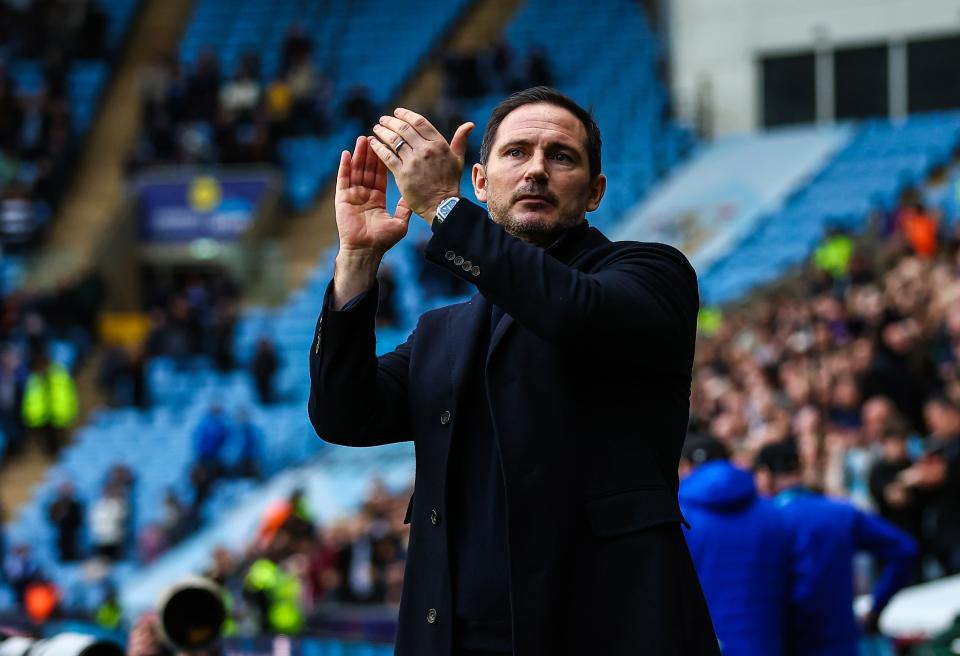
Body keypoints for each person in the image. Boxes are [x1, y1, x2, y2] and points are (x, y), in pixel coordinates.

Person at [308, 87, 718, 655]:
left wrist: (445, 212)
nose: (536, 171)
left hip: (604, 633)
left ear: (595, 192)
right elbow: (342, 415)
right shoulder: (441, 331)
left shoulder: (650, 274)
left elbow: (572, 310)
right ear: (481, 181)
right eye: (516, 152)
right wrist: (356, 260)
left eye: (562, 156)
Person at [754, 440, 918, 656]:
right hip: (843, 641)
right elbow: (905, 550)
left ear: (765, 475)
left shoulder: (764, 522)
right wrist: (876, 608)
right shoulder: (840, 512)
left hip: (793, 643)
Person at [679, 436, 792, 656]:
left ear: (687, 467)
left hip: (703, 643)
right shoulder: (773, 513)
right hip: (766, 643)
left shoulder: (681, 518)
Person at [48, 482, 83, 562]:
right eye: (64, 490)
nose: (66, 493)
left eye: (68, 490)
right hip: (59, 534)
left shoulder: (76, 505)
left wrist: (67, 517)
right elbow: (52, 520)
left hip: (73, 535)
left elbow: (79, 521)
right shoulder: (56, 504)